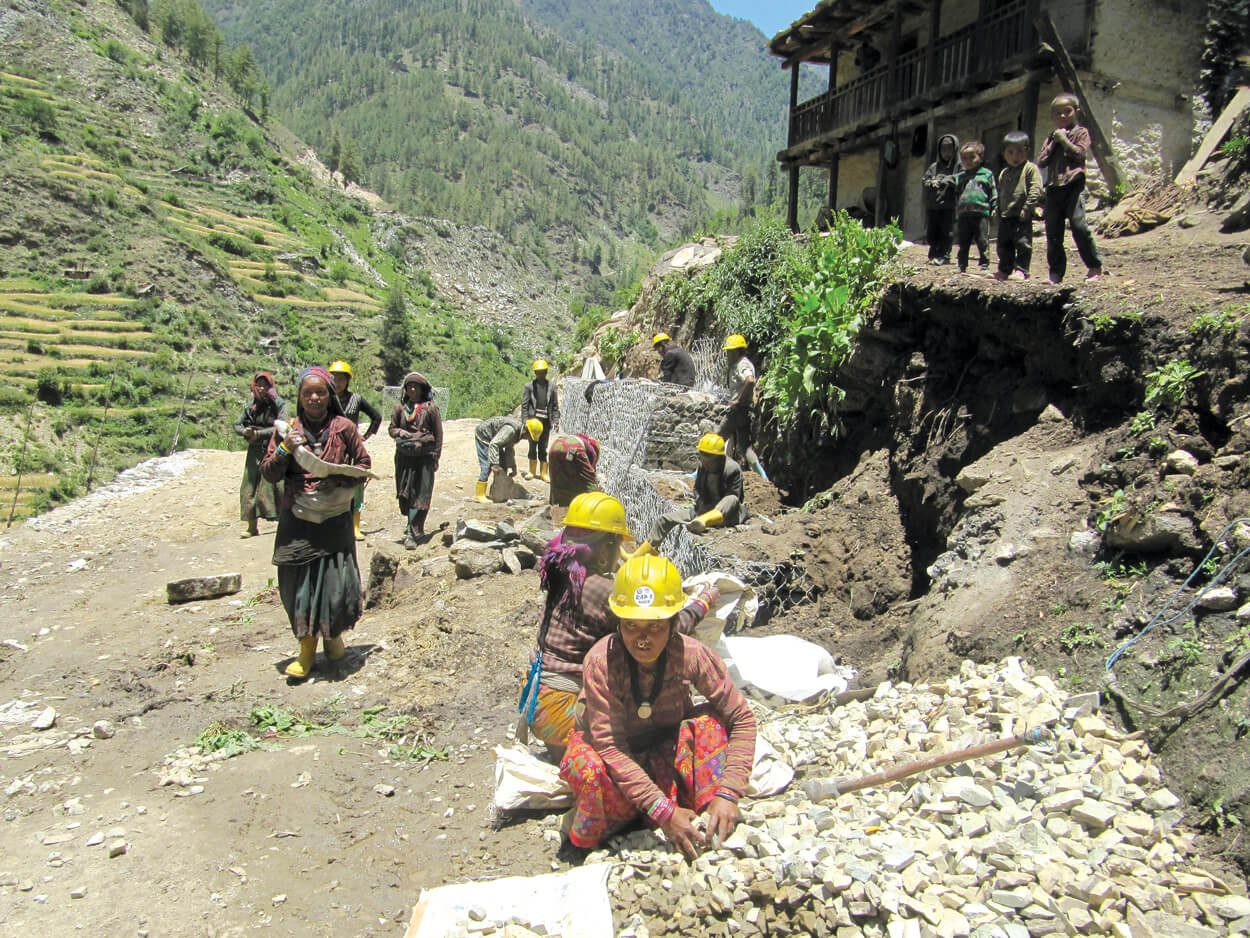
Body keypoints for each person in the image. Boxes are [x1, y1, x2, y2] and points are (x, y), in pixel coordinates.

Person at [558, 554, 756, 856]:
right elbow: (610, 746)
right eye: (632, 626)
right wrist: (664, 811)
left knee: (710, 724)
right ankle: (623, 824)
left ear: (675, 624)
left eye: (655, 627)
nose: (642, 639)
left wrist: (730, 791)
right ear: (618, 623)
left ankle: (706, 816)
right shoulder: (601, 662)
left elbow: (741, 717)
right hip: (615, 764)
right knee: (588, 767)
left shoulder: (692, 655)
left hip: (664, 749)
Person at [518, 493, 720, 759]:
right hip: (563, 708)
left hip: (539, 700)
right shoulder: (602, 590)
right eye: (616, 544)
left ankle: (567, 753)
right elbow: (669, 627)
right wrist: (702, 604)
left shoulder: (564, 573)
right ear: (604, 548)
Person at [261, 366, 371, 680]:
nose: (314, 397)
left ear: (330, 396)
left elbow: (364, 464)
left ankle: (333, 638)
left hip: (335, 519)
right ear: (299, 396)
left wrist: (337, 477)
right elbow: (269, 472)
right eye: (308, 392)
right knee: (299, 586)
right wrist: (285, 449)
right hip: (298, 521)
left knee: (335, 583)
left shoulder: (344, 427)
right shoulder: (287, 431)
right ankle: (306, 650)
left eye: (320, 392)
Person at [1037, 93, 1103, 283]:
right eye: (1058, 114)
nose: (1063, 116)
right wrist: (1055, 142)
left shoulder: (1081, 132)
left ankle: (1094, 266)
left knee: (1079, 226)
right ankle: (1056, 272)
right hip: (1054, 188)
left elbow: (1080, 154)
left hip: (1073, 185)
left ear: (1077, 112)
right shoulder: (1052, 137)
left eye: (1067, 112)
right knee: (1053, 231)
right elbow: (1041, 161)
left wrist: (1065, 141)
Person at [643, 433, 745, 550]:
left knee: (731, 498)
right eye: (702, 455)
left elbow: (734, 499)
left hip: (726, 515)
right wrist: (700, 508)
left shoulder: (732, 469)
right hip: (701, 512)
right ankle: (640, 555)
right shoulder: (702, 466)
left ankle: (705, 521)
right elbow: (698, 490)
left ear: (719, 457)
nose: (705, 461)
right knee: (664, 520)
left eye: (709, 457)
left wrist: (705, 517)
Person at [328, 360, 382, 541]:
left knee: (357, 486)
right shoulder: (325, 399)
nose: (337, 382)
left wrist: (365, 436)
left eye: (341, 379)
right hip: (332, 449)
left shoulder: (356, 399)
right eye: (334, 378)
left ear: (347, 380)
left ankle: (355, 527)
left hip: (353, 450)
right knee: (332, 485)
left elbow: (376, 416)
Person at [388, 372, 443, 549]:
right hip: (404, 458)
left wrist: (436, 456)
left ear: (422, 389)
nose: (412, 389)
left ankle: (412, 531)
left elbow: (438, 434)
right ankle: (411, 525)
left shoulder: (431, 408)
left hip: (424, 458)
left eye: (415, 386)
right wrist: (399, 432)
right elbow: (391, 428)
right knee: (406, 493)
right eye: (409, 386)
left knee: (421, 494)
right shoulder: (400, 409)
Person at [234, 371, 287, 538]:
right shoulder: (251, 405)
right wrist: (245, 432)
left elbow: (282, 425)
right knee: (250, 485)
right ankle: (252, 527)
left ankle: (285, 524)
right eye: (259, 384)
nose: (261, 388)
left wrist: (261, 434)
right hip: (254, 449)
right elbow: (237, 424)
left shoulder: (278, 403)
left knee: (277, 484)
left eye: (265, 384)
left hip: (273, 447)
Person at [994, 132, 1044, 282]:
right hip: (1006, 215)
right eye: (1010, 152)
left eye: (1020, 152)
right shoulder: (1004, 173)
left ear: (1027, 150)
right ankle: (1004, 270)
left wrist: (1028, 208)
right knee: (1003, 244)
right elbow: (1000, 191)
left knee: (1022, 243)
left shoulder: (1030, 169)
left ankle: (1021, 270)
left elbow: (1036, 189)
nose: (1015, 156)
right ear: (1004, 154)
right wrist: (997, 209)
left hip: (1021, 214)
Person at [718, 335, 766, 478]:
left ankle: (700, 473)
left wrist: (738, 400)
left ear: (737, 351)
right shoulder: (739, 363)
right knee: (744, 448)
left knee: (717, 440)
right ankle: (763, 477)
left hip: (738, 411)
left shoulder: (742, 364)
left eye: (730, 351)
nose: (727, 354)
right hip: (744, 412)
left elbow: (750, 381)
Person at [473, 415, 541, 503]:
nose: (528, 439)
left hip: (495, 439)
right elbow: (494, 444)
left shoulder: (517, 433)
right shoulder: (511, 430)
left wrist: (512, 466)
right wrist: (495, 464)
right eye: (529, 436)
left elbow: (509, 448)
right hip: (484, 436)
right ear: (526, 430)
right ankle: (480, 495)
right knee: (488, 465)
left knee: (503, 465)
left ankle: (499, 492)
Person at [954, 141, 997, 273]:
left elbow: (993, 192)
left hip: (981, 213)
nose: (968, 161)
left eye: (971, 157)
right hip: (964, 214)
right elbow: (956, 194)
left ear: (980, 157)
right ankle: (962, 265)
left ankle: (984, 264)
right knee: (963, 241)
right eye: (964, 158)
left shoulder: (986, 174)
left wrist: (994, 207)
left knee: (982, 240)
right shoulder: (960, 177)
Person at [922, 133, 960, 265]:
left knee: (946, 232)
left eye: (949, 148)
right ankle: (934, 253)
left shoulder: (957, 166)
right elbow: (925, 180)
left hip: (948, 206)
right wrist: (931, 182)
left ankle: (944, 255)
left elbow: (959, 178)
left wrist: (946, 180)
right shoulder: (934, 167)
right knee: (932, 231)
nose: (946, 152)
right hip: (933, 205)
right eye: (943, 149)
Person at [521, 360, 559, 482]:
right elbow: (525, 406)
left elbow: (554, 406)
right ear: (535, 373)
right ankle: (532, 471)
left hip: (546, 422)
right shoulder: (529, 387)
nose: (541, 374)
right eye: (538, 372)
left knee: (543, 447)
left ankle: (543, 473)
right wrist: (525, 421)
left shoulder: (552, 387)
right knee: (532, 446)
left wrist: (556, 420)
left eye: (542, 372)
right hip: (533, 422)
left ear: (546, 372)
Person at [546, 433, 601, 507]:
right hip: (573, 448)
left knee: (556, 477)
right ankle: (596, 505)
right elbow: (590, 472)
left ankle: (555, 503)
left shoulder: (583, 440)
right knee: (591, 481)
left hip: (555, 445)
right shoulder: (593, 451)